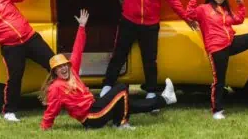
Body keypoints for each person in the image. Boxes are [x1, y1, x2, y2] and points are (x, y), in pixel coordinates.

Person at [40, 10, 177, 130]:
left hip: (96, 105)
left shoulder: (72, 71)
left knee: (128, 104)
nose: (63, 68)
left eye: (64, 65)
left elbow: (77, 50)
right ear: (55, 72)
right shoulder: (56, 87)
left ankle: (165, 99)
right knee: (122, 88)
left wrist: (81, 27)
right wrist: (45, 126)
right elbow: (52, 109)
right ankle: (121, 124)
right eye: (59, 68)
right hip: (92, 117)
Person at [101, 0, 198, 99]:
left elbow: (174, 1)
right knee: (119, 55)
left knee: (150, 59)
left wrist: (187, 19)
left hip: (150, 25)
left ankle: (151, 92)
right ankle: (107, 86)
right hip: (129, 21)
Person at [186, 0, 248, 120]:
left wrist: (241, 5)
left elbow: (238, 20)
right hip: (216, 48)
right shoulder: (204, 9)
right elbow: (189, 13)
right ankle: (217, 111)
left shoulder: (225, 9)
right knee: (219, 80)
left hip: (230, 43)